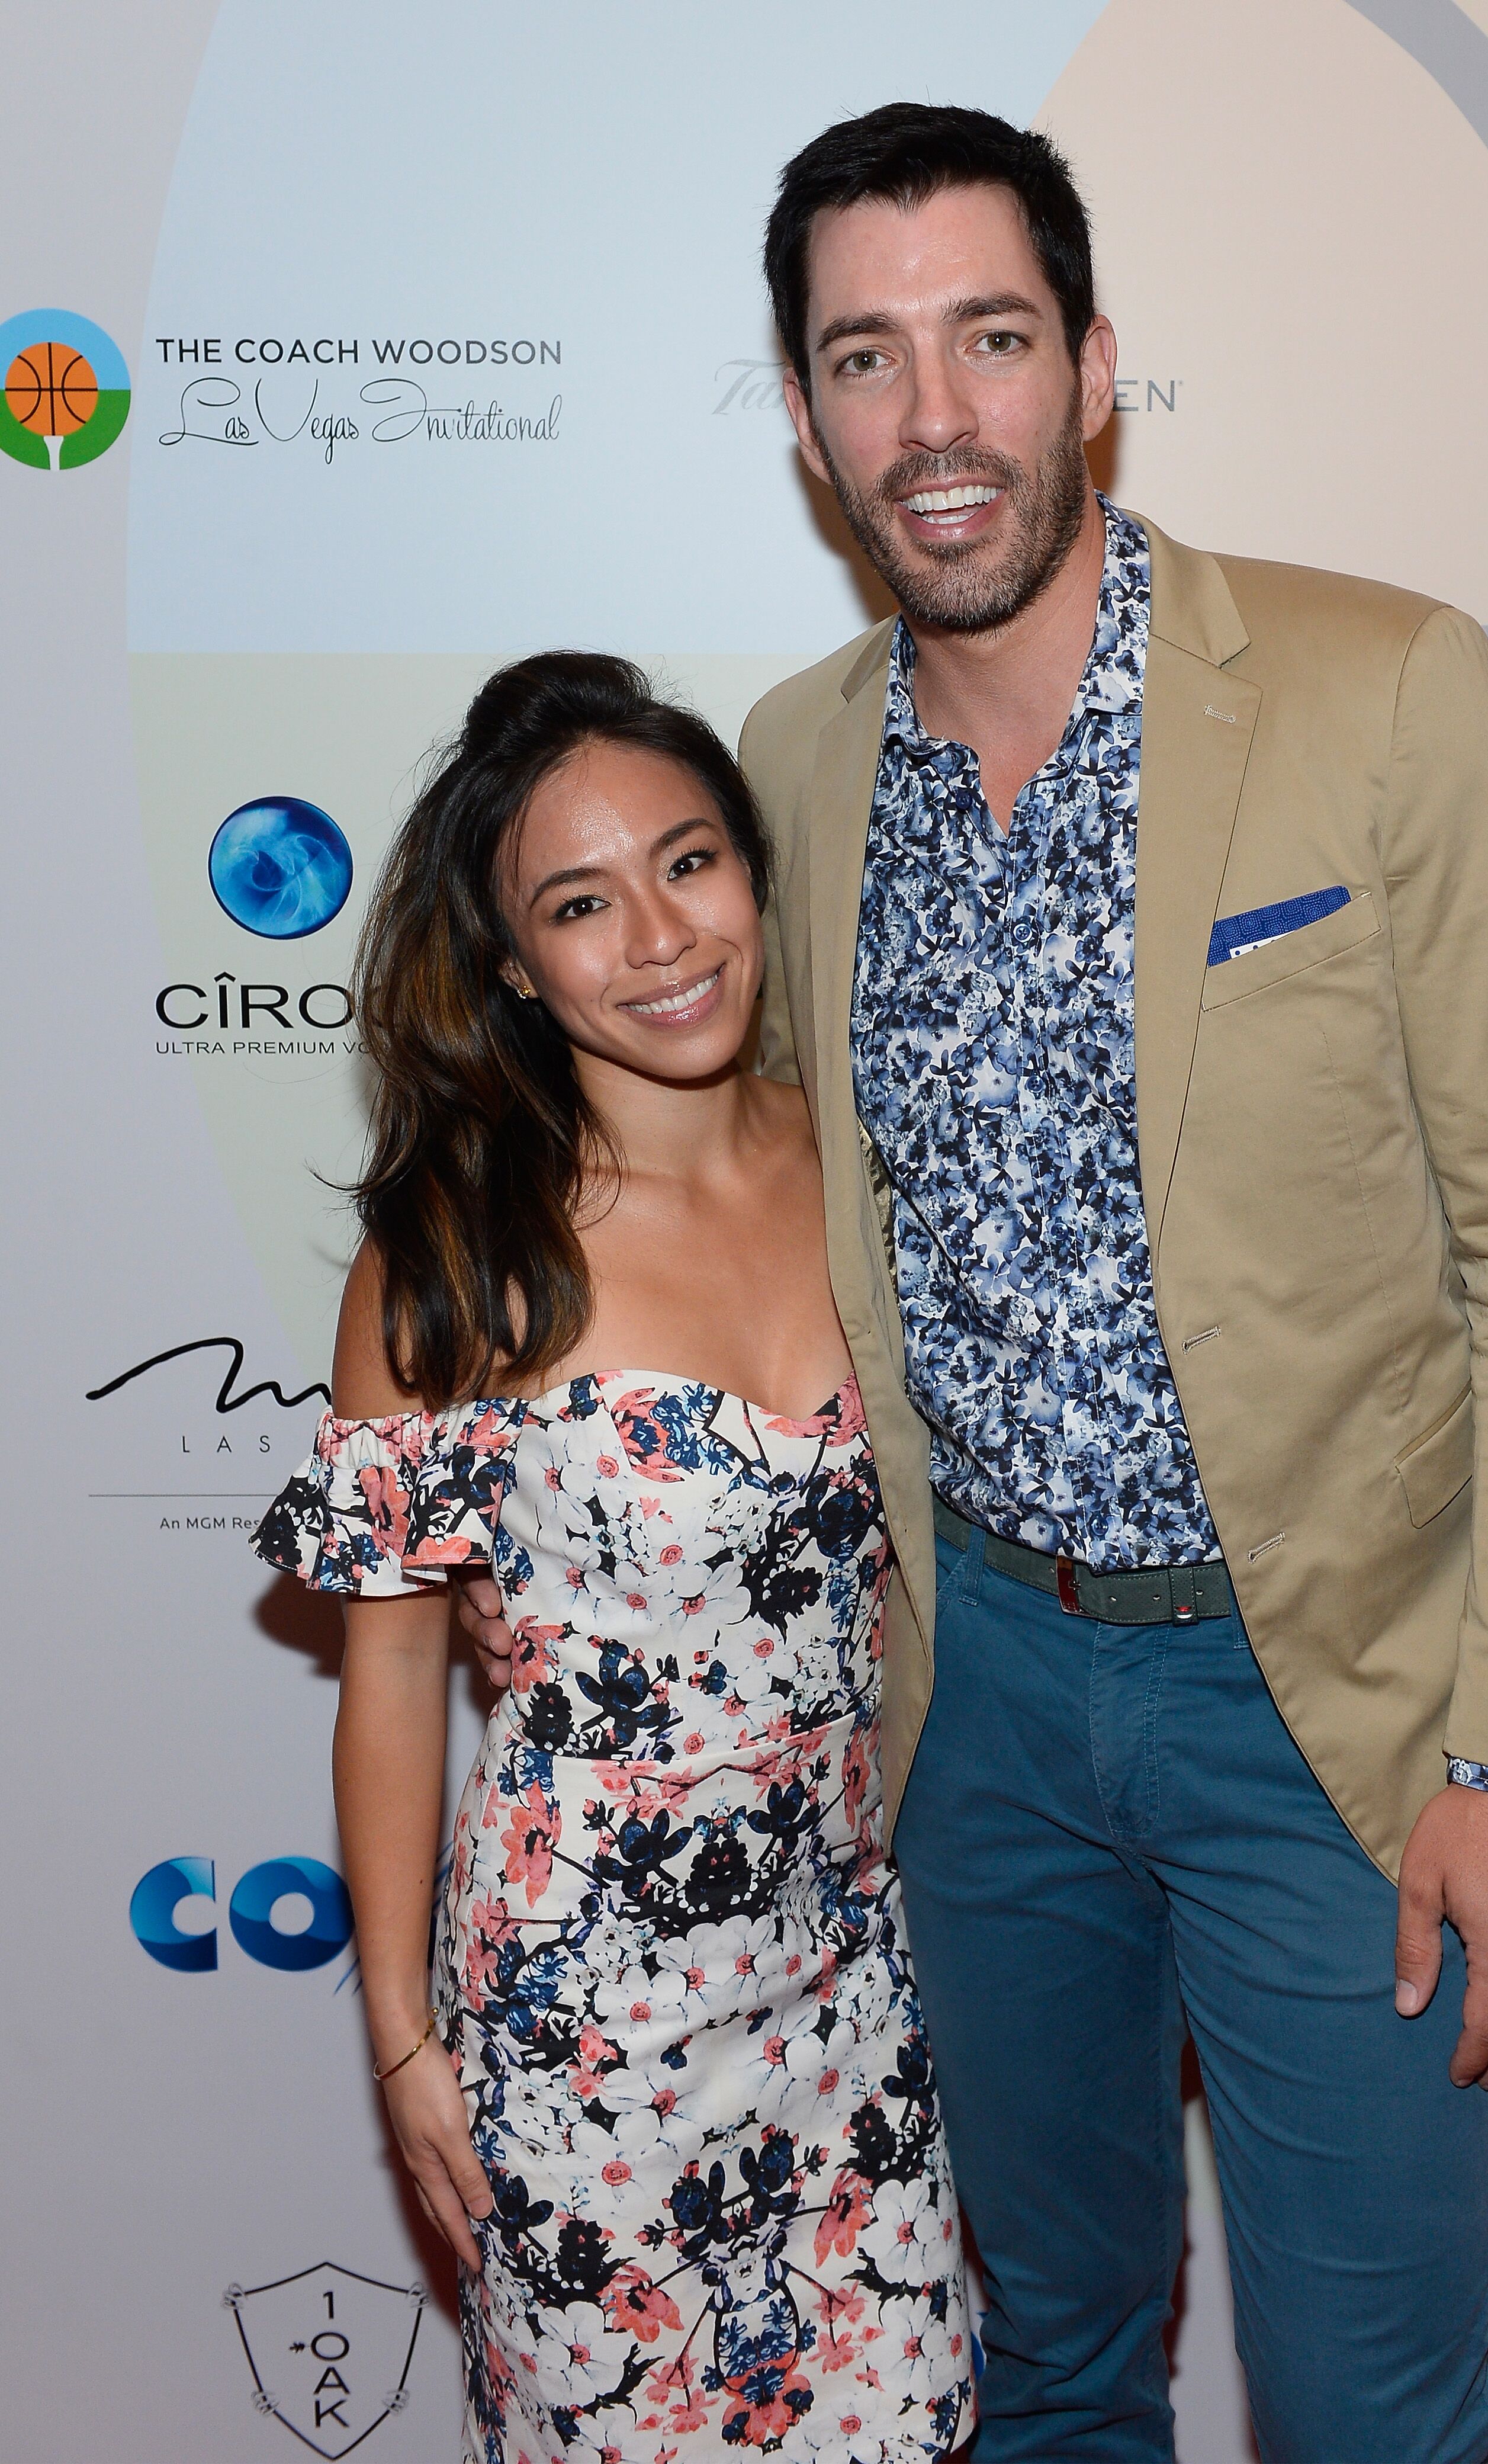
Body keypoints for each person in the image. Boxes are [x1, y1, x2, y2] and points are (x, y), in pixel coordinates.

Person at [461, 105, 1488, 2464]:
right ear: (807, 425)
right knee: (1051, 2359)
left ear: (1092, 366)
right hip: (969, 1691)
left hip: (1329, 1701)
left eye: (988, 340)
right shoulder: (782, 773)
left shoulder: (1377, 685)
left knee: (1371, 2402)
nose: (936, 418)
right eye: (868, 360)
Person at [252, 652, 971, 2464]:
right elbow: (395, 1671)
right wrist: (407, 2042)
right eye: (581, 903)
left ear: (754, 867)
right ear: (512, 961)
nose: (659, 936)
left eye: (690, 861)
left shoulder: (870, 1163)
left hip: (860, 1986)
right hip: (586, 2032)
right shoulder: (456, 1255)